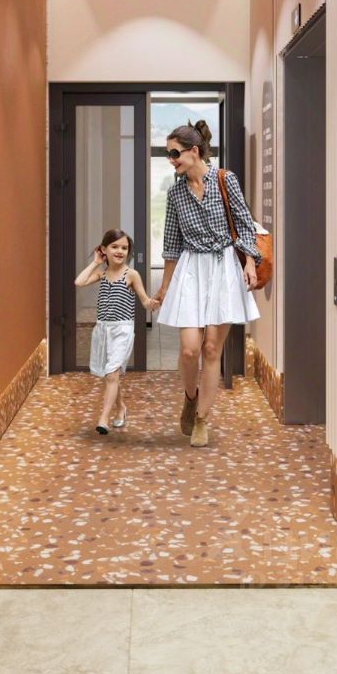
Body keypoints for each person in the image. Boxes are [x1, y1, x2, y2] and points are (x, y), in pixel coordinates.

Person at [153, 120, 260, 448]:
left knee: (212, 348)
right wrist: (164, 287)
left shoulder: (226, 180)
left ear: (194, 151)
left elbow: (245, 224)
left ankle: (201, 419)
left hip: (223, 267)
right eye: (168, 154)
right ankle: (190, 397)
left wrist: (250, 263)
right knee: (189, 350)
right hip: (191, 269)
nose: (171, 160)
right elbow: (171, 243)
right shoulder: (175, 193)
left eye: (175, 153)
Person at [75, 229, 157, 435]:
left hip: (122, 330)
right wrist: (96, 262)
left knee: (112, 373)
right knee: (110, 375)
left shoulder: (131, 275)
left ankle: (103, 419)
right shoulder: (101, 274)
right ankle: (121, 408)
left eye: (124, 248)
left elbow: (144, 301)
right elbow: (79, 282)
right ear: (104, 249)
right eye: (114, 247)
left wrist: (153, 303)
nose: (120, 251)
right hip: (103, 329)